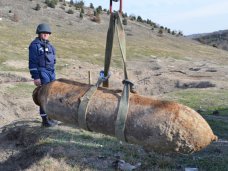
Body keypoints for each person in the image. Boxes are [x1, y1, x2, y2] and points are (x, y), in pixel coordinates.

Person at [29, 23, 57, 127]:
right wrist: (36, 77)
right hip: (42, 72)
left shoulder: (50, 46)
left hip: (51, 73)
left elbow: (54, 61)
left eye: (47, 33)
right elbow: (32, 62)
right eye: (43, 33)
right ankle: (45, 120)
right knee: (44, 95)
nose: (45, 35)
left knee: (52, 95)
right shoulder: (34, 46)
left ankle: (50, 117)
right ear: (39, 33)